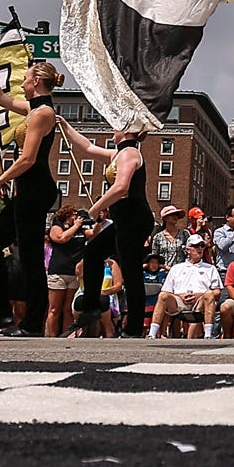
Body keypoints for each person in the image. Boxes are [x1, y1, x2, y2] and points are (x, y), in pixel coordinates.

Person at [0, 53, 62, 337]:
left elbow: (29, 158)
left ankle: (32, 324)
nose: (22, 81)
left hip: (36, 189)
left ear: (36, 81)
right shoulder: (33, 110)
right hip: (28, 190)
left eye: (25, 77)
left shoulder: (44, 113)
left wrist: (3, 177)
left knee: (32, 258)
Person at [66, 127, 152, 337]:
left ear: (125, 131)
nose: (112, 130)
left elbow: (122, 187)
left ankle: (133, 329)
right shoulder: (118, 154)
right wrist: (64, 126)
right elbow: (87, 147)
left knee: (131, 271)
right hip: (123, 219)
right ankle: (92, 306)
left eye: (115, 127)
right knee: (93, 251)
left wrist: (95, 209)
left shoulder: (131, 154)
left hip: (134, 218)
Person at [150, 232, 222, 339]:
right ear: (188, 249)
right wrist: (181, 296)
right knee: (163, 296)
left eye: (202, 246)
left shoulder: (210, 268)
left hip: (200, 303)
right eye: (196, 246)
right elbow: (167, 290)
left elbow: (217, 292)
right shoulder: (176, 268)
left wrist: (198, 295)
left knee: (210, 294)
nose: (200, 248)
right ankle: (152, 333)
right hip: (179, 303)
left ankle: (208, 335)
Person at [45, 205, 89, 336]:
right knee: (54, 308)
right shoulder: (56, 227)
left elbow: (93, 234)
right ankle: (53, 337)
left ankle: (67, 334)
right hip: (58, 272)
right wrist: (75, 227)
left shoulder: (81, 230)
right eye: (74, 214)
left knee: (68, 308)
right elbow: (61, 238)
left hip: (74, 273)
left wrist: (98, 222)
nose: (77, 217)